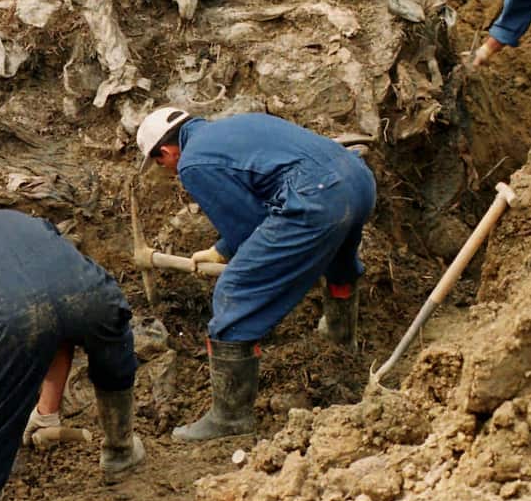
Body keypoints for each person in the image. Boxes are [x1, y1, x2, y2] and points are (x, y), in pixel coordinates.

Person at [135, 107, 375, 443]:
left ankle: (230, 417)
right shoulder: (239, 123)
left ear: (166, 151)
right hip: (358, 181)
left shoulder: (193, 163)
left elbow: (250, 226)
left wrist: (231, 252)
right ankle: (342, 343)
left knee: (233, 291)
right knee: (339, 263)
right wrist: (221, 248)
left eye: (162, 164)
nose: (168, 170)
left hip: (319, 199)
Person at [0, 209, 145, 501]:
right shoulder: (25, 224)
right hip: (92, 293)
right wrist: (45, 411)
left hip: (10, 315)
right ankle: (121, 452)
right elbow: (58, 325)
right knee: (110, 352)